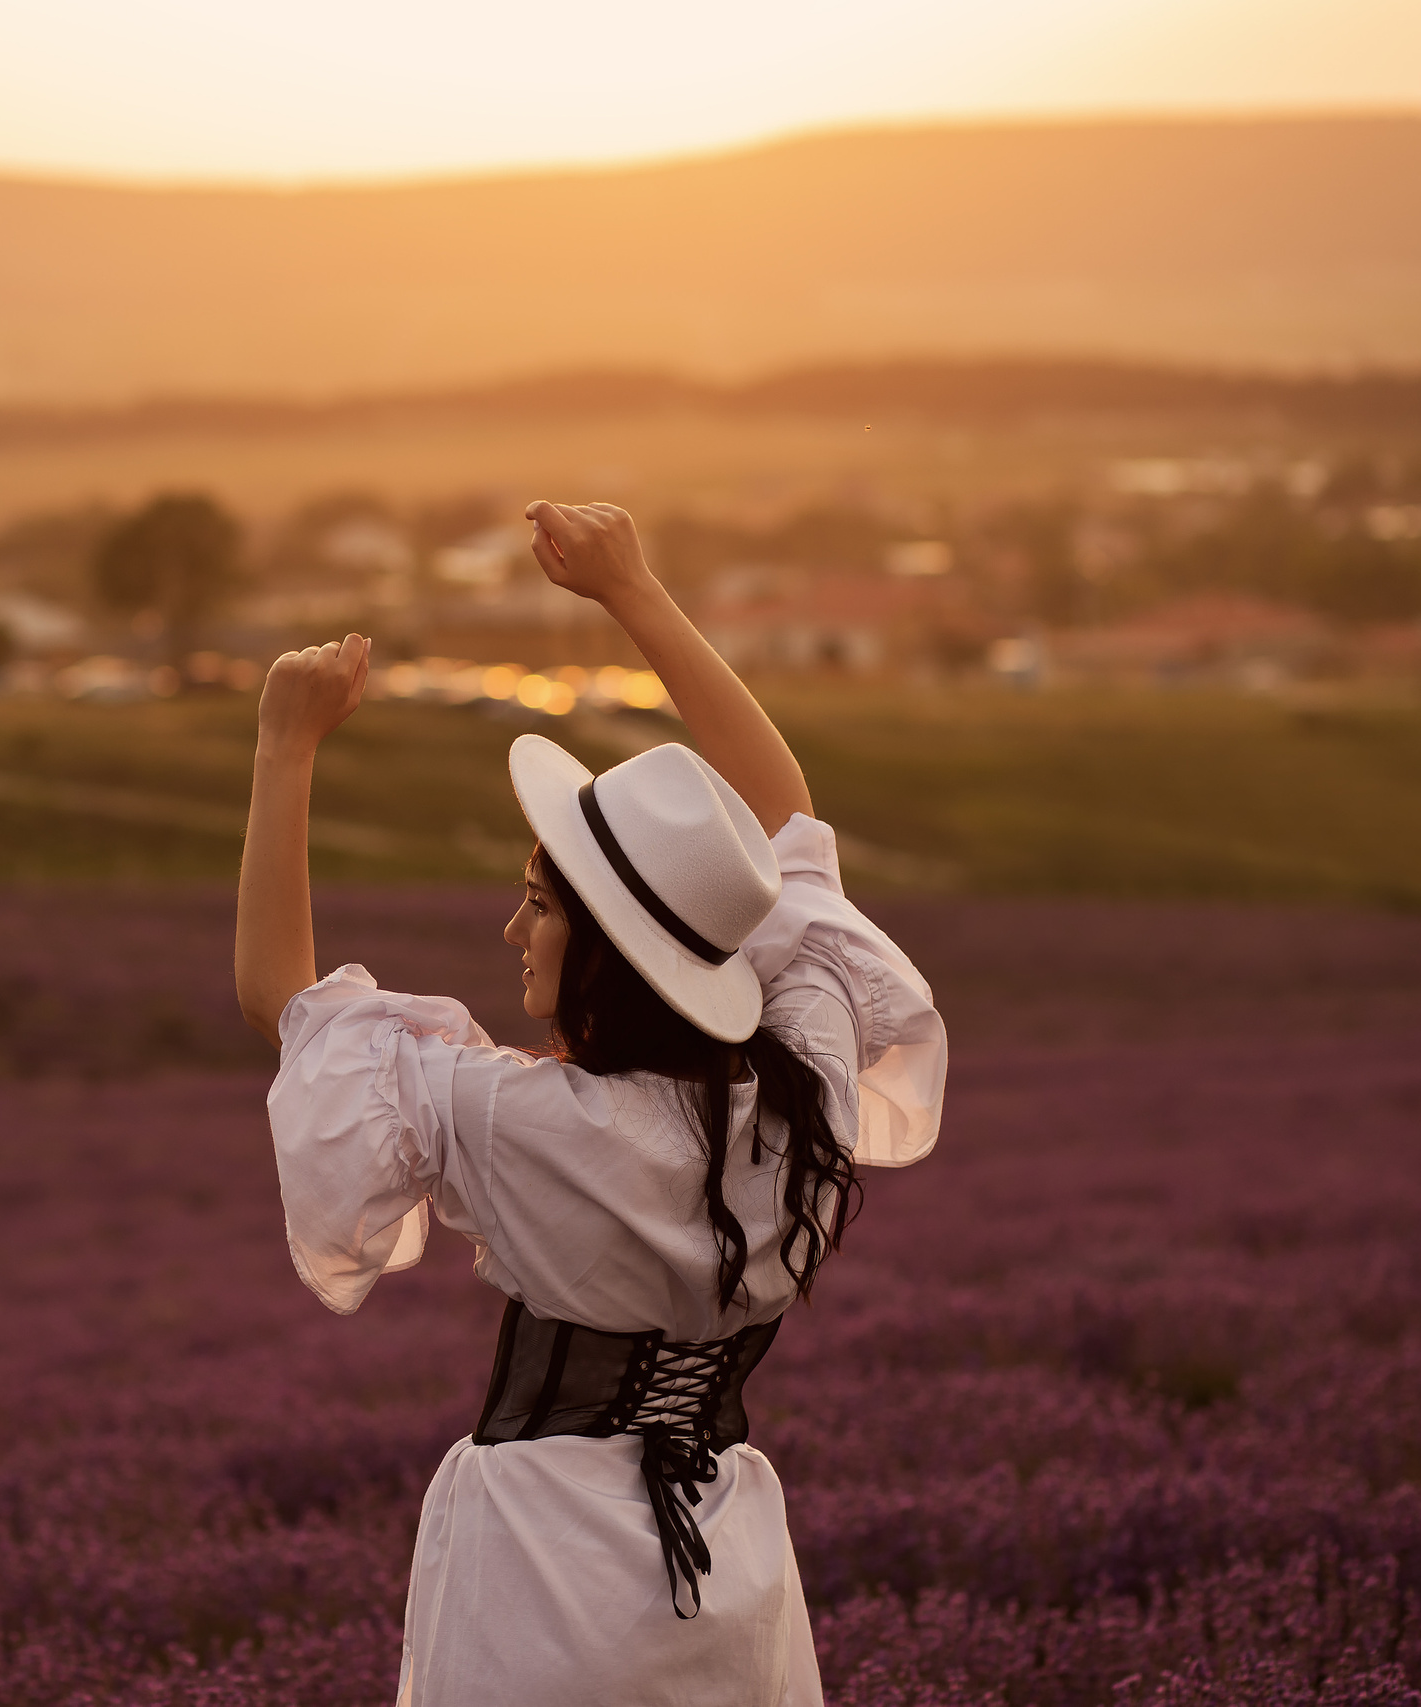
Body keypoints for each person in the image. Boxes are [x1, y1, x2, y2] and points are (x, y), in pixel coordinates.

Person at [235, 501, 948, 1706]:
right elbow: (783, 827)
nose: (513, 929)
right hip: (726, 1561)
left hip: (540, 1565)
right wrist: (635, 594)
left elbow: (281, 1005)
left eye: (541, 904)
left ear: (611, 954)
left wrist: (284, 748)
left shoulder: (525, 1125)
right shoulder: (798, 1092)